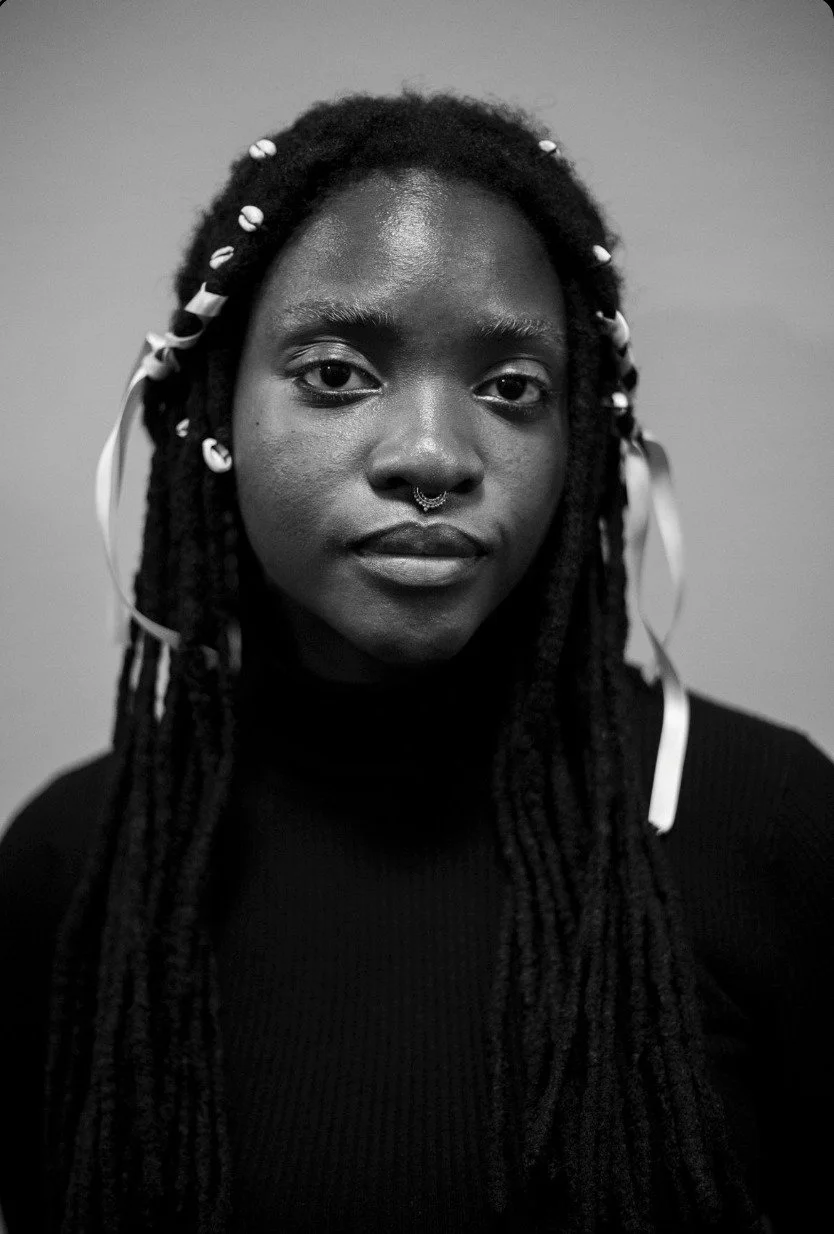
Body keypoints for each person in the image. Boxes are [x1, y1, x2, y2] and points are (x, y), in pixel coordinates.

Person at [0, 90, 830, 1234]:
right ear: (213, 412)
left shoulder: (771, 823)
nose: (434, 455)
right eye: (338, 374)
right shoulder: (73, 866)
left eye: (512, 388)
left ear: (585, 441)